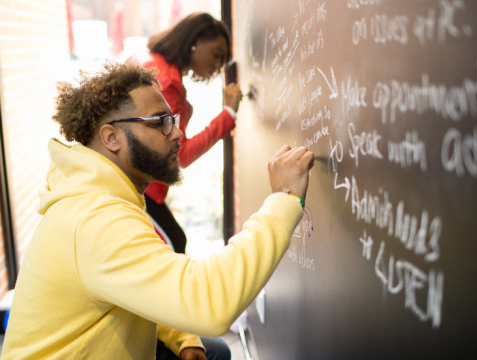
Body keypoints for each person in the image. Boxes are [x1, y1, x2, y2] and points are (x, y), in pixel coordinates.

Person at [0, 62, 314, 360]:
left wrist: (182, 337)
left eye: (173, 120)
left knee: (211, 349)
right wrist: (283, 199)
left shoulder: (100, 195)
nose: (177, 133)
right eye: (161, 122)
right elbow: (209, 304)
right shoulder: (96, 219)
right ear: (112, 138)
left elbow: (134, 284)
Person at [131, 13, 242, 254]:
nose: (218, 66)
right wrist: (228, 115)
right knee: (174, 244)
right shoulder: (168, 82)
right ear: (196, 41)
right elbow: (179, 155)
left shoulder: (152, 60)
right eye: (216, 54)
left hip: (132, 179)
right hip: (138, 187)